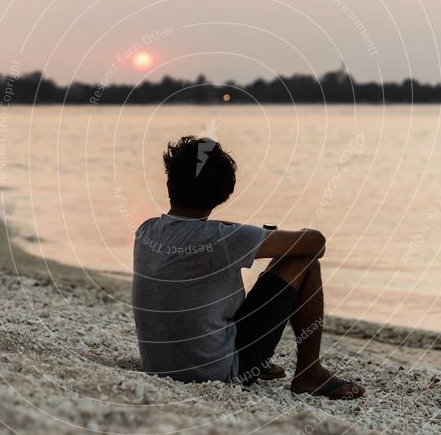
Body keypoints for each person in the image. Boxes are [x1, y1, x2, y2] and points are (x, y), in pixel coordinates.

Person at [132, 135, 364, 400]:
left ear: (169, 183)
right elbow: (316, 243)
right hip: (221, 372)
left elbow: (198, 232)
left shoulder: (146, 231)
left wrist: (244, 234)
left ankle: (261, 361)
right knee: (301, 260)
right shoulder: (223, 240)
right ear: (223, 193)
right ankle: (309, 372)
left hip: (157, 366)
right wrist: (264, 235)